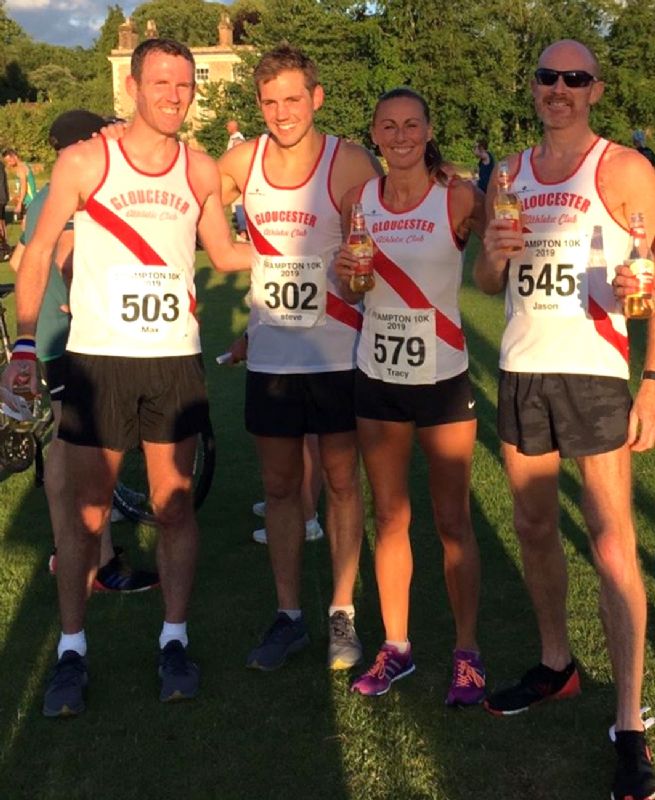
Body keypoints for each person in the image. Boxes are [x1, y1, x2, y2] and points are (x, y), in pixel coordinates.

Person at [2, 37, 251, 717]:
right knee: (84, 517)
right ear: (134, 87)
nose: (174, 96)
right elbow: (38, 253)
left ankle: (174, 639)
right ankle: (72, 650)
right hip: (97, 360)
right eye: (161, 84)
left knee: (174, 506)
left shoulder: (200, 169)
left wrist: (296, 248)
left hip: (173, 358)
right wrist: (25, 343)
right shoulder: (86, 159)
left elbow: (224, 251)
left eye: (185, 86)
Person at [474, 39, 655, 800]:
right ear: (534, 87)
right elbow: (487, 279)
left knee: (611, 538)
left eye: (573, 79)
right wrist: (493, 247)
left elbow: (649, 274)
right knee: (532, 526)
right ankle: (556, 666)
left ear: (595, 90)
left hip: (592, 373)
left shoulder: (623, 169)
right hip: (521, 366)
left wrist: (650, 377)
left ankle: (628, 724)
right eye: (548, 77)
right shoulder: (509, 173)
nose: (559, 89)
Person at [217, 44, 382, 671]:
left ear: (315, 97)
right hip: (272, 359)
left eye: (293, 98)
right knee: (281, 487)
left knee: (342, 483)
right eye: (269, 101)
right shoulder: (241, 159)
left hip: (339, 353)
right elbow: (186, 179)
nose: (282, 112)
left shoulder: (349, 163)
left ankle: (342, 612)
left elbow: (387, 230)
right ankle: (288, 615)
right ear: (258, 105)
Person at [334, 87, 486, 703]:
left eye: (412, 125)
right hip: (379, 379)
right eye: (388, 126)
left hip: (444, 380)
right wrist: (345, 278)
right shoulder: (357, 200)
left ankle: (467, 653)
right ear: (375, 134)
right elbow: (350, 290)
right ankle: (397, 647)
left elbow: (504, 243)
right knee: (390, 516)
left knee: (452, 521)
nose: (400, 136)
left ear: (427, 131)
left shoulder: (457, 197)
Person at [9, 109, 159, 593]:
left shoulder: (40, 197)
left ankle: (67, 549)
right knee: (87, 451)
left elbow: (18, 258)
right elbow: (68, 257)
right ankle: (99, 560)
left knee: (64, 449)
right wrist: (82, 301)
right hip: (74, 335)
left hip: (53, 336)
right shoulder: (70, 192)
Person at [225, 120, 249, 241]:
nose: (227, 128)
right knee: (237, 206)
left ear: (233, 127)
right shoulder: (234, 138)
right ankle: (242, 232)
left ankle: (243, 233)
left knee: (239, 205)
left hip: (238, 178)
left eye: (228, 126)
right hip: (237, 177)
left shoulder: (237, 139)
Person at [2, 147, 37, 225]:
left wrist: (19, 204)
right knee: (26, 226)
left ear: (15, 156)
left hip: (29, 201)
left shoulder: (21, 169)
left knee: (26, 226)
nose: (8, 163)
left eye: (9, 160)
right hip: (28, 200)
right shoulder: (24, 165)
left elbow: (24, 187)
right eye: (7, 162)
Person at [0, 154, 10, 259]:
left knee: (1, 223)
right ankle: (5, 248)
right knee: (2, 222)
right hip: (3, 197)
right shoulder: (1, 165)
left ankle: (3, 249)